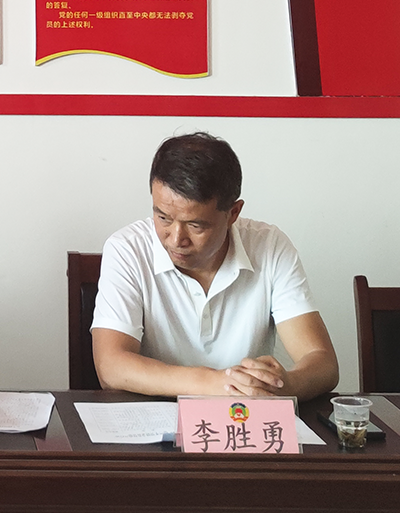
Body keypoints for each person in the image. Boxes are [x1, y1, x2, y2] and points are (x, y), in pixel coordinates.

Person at [90, 133, 338, 399]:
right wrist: (215, 383)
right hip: (155, 415)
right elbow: (111, 366)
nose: (176, 239)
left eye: (195, 225)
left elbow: (322, 361)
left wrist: (286, 384)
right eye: (163, 218)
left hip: (244, 415)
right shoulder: (127, 249)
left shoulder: (269, 246)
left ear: (233, 213)